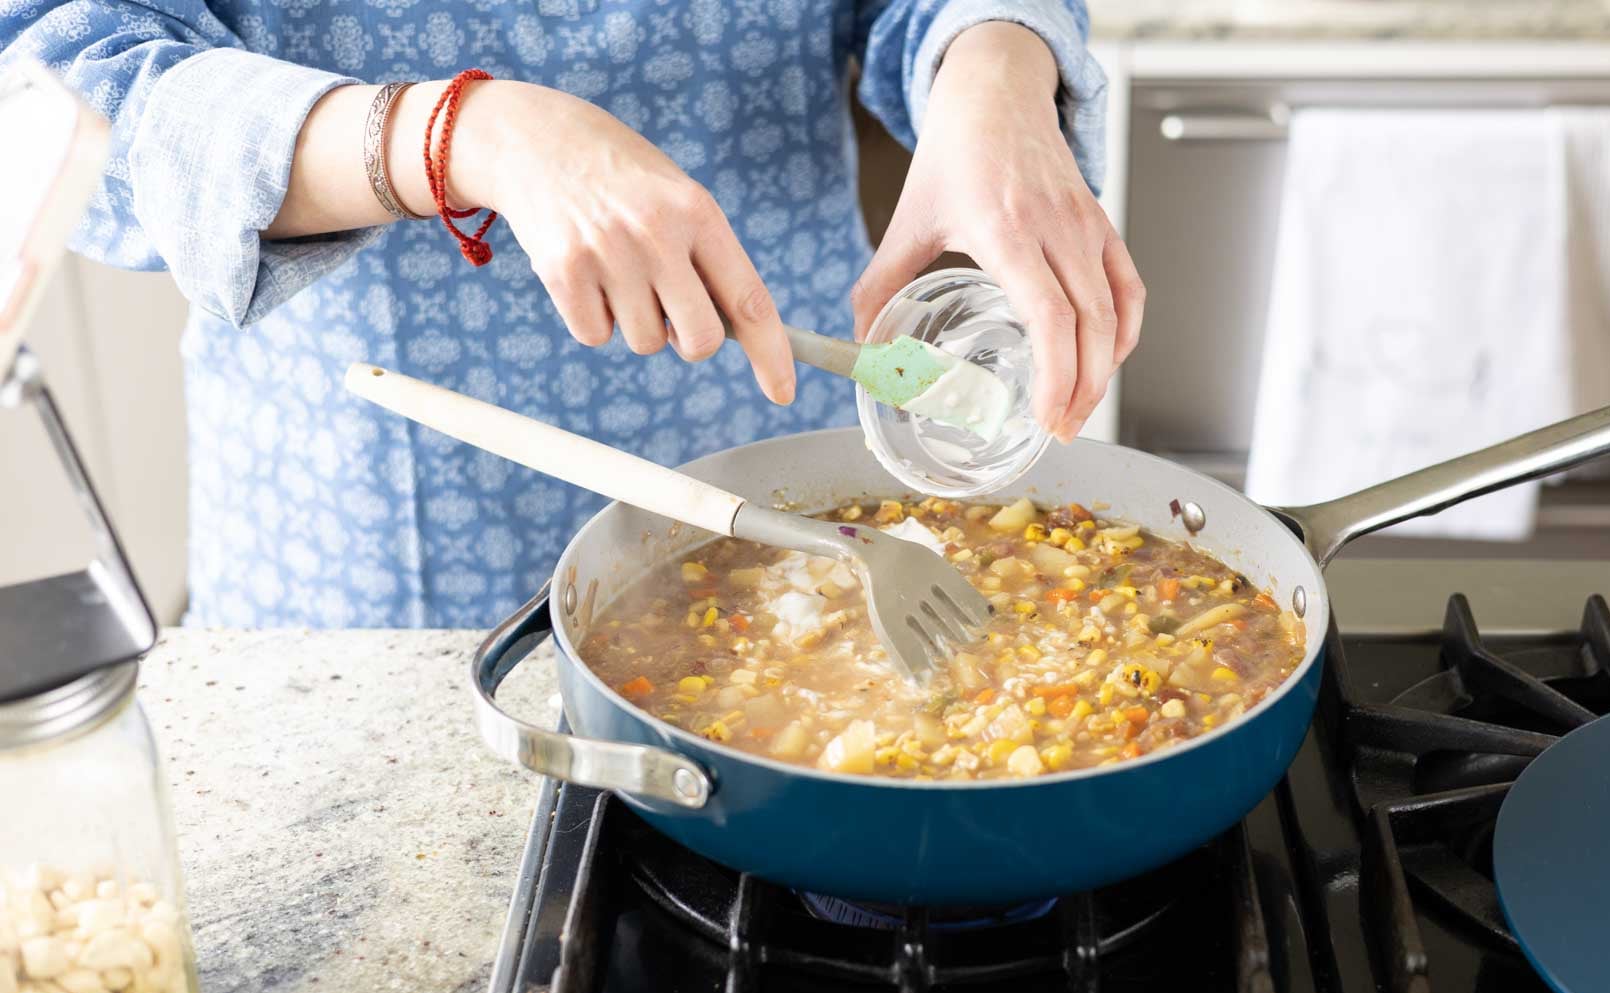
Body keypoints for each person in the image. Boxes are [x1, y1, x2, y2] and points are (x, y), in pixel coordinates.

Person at [2, 0, 1144, 627]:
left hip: (792, 454)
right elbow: (58, 73)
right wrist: (454, 135)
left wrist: (995, 68)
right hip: (381, 530)